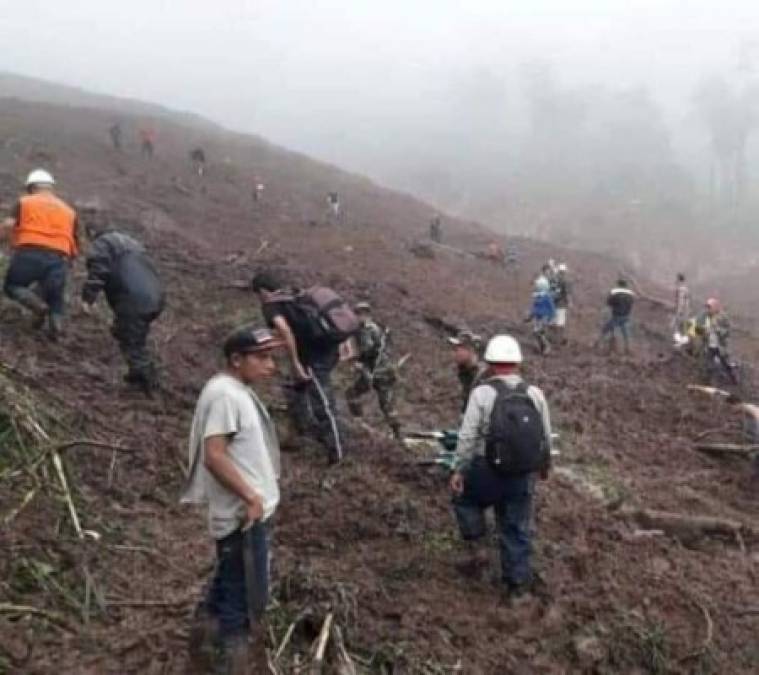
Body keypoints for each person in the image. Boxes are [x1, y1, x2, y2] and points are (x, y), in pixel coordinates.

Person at [183, 326, 283, 674]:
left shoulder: (231, 390)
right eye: (262, 358)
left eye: (272, 357)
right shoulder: (227, 396)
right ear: (236, 359)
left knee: (228, 581)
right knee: (240, 600)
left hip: (245, 513)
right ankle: (230, 662)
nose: (270, 366)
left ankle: (200, 646)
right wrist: (251, 497)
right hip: (244, 516)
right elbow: (214, 455)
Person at [449, 335, 552, 599]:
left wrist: (459, 469)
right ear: (517, 362)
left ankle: (478, 547)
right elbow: (545, 435)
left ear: (491, 364)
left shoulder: (482, 393)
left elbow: (468, 436)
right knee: (516, 527)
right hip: (521, 476)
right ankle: (517, 588)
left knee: (464, 499)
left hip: (486, 471)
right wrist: (543, 466)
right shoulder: (535, 393)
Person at [251, 271, 346, 463]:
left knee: (323, 403)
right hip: (328, 349)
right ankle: (304, 432)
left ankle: (338, 451)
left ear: (262, 291)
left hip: (313, 356)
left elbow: (286, 331)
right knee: (295, 389)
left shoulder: (271, 305)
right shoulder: (295, 294)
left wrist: (295, 364)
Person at [80, 216, 165, 394]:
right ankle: (136, 373)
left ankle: (149, 385)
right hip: (155, 297)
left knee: (132, 341)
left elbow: (98, 271)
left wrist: (88, 298)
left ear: (92, 233)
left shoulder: (103, 244)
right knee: (124, 332)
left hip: (133, 299)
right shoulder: (132, 243)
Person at [3, 169, 80, 340]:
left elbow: (8, 225)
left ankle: (37, 307)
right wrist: (68, 262)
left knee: (12, 286)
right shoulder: (69, 211)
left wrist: (10, 242)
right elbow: (75, 243)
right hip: (59, 257)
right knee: (55, 299)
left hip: (29, 252)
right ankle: (56, 328)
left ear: (31, 187)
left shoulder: (24, 202)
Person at [345, 302, 401, 439]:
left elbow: (368, 350)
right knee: (386, 405)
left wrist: (357, 360)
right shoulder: (370, 328)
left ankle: (396, 434)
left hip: (378, 372)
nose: (357, 318)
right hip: (381, 370)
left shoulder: (368, 329)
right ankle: (396, 434)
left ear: (365, 315)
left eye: (358, 315)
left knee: (385, 405)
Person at [695, 298, 737, 385]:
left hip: (720, 346)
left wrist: (718, 330)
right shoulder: (704, 316)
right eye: (707, 307)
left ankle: (733, 379)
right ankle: (708, 381)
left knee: (725, 363)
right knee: (708, 363)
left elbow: (728, 330)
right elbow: (698, 328)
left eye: (709, 307)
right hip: (709, 345)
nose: (708, 309)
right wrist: (703, 331)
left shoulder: (722, 317)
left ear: (715, 307)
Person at [447, 331, 486, 414]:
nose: (455, 353)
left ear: (471, 350)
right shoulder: (462, 373)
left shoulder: (483, 377)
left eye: (459, 348)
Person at [597, 279, 635, 354]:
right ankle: (627, 347)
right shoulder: (630, 295)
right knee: (626, 332)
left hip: (616, 315)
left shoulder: (615, 293)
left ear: (618, 284)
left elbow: (609, 303)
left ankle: (600, 344)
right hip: (626, 316)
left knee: (606, 329)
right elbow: (631, 304)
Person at [526, 276, 556, 355]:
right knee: (536, 333)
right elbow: (534, 307)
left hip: (544, 317)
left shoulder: (546, 297)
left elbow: (552, 308)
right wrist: (530, 316)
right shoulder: (538, 296)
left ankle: (546, 346)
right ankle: (542, 347)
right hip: (538, 317)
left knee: (540, 332)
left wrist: (551, 318)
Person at [551, 263, 571, 344]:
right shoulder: (564, 281)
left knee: (554, 321)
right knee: (560, 323)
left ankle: (554, 338)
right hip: (561, 304)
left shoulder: (554, 279)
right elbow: (566, 293)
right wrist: (569, 302)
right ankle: (559, 339)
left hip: (554, 303)